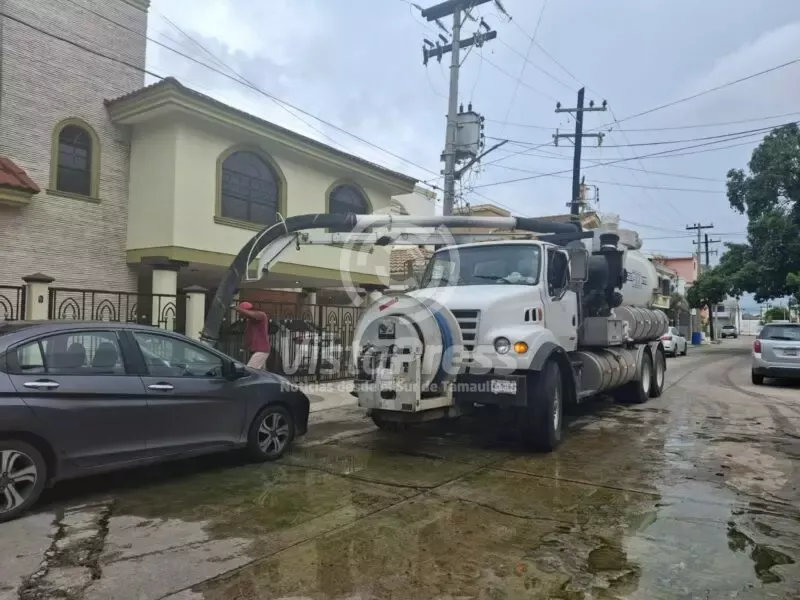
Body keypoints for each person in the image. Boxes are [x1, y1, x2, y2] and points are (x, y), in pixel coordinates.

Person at [232, 301, 271, 369]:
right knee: (259, 372)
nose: (241, 315)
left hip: (261, 350)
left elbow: (251, 314)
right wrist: (245, 347)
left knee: (250, 370)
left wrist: (235, 307)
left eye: (242, 313)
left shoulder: (261, 315)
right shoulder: (249, 321)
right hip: (257, 350)